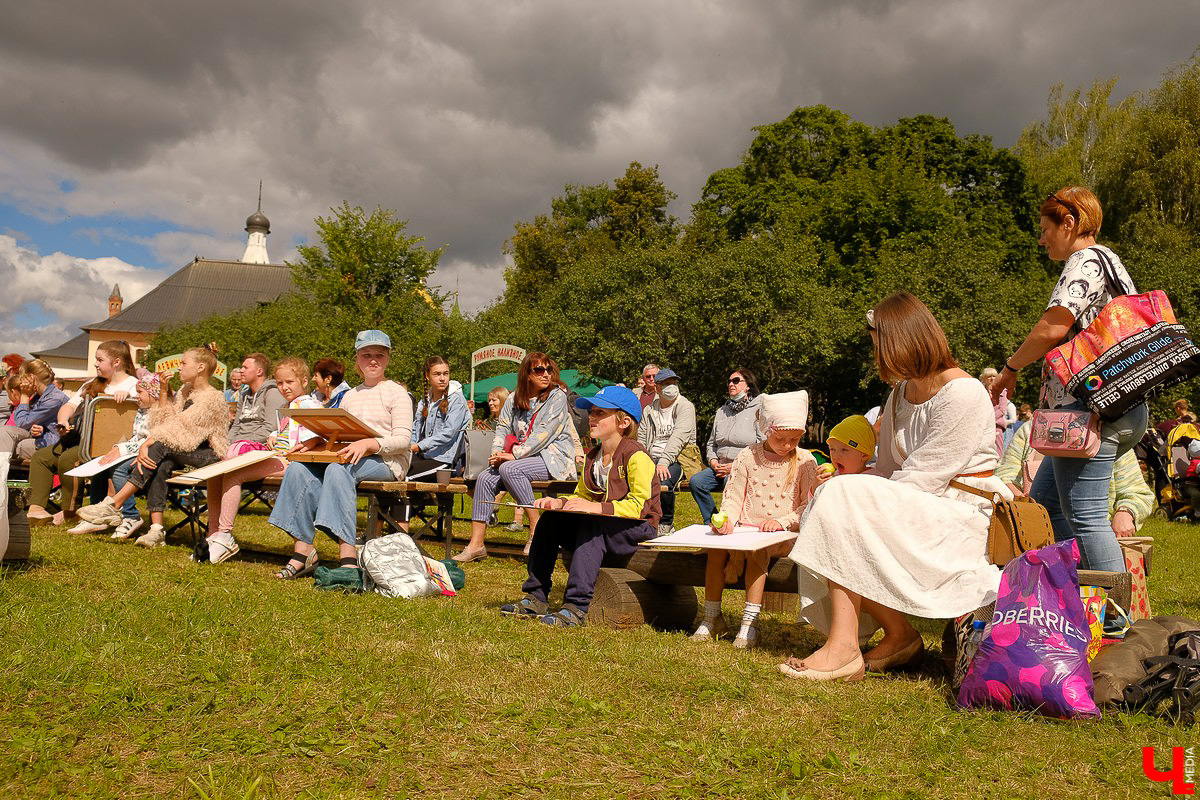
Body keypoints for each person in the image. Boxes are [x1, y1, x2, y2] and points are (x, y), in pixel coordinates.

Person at [781, 292, 1008, 682]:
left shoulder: (965, 393)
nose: (877, 356)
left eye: (879, 346)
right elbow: (887, 469)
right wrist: (841, 490)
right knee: (835, 501)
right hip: (920, 501)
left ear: (904, 340)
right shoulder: (900, 393)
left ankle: (844, 648)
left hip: (960, 510)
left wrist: (851, 496)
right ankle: (897, 634)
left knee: (842, 502)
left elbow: (926, 476)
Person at [988, 187, 1148, 573]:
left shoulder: (1084, 262)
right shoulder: (1110, 262)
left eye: (1045, 229)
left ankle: (1115, 623)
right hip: (1116, 406)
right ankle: (1077, 596)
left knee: (1087, 516)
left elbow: (1052, 329)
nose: (1041, 238)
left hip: (1090, 413)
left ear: (1070, 223)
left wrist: (1010, 368)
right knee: (1045, 502)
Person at [500, 386, 660, 627]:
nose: (591, 418)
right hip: (603, 524)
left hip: (638, 531)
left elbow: (639, 507)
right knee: (551, 520)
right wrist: (559, 503)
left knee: (592, 523)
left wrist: (597, 509)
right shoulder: (592, 456)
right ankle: (536, 595)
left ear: (624, 421)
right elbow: (581, 496)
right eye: (591, 412)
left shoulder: (636, 456)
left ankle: (576, 606)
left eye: (599, 413)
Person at [268, 331, 412, 580]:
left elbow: (403, 440)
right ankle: (303, 550)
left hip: (387, 461)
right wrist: (315, 441)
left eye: (379, 355)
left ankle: (348, 558)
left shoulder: (396, 392)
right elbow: (337, 434)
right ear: (357, 360)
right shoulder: (350, 396)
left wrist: (369, 443)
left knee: (338, 468)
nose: (373, 360)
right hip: (348, 456)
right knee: (298, 469)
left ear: (388, 359)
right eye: (366, 355)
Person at [691, 391, 819, 649]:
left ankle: (750, 623)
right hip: (745, 531)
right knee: (716, 551)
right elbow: (734, 496)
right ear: (765, 430)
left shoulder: (806, 460)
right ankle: (712, 616)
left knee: (758, 552)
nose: (786, 445)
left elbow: (808, 505)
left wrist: (782, 522)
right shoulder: (747, 456)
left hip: (784, 536)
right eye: (780, 438)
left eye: (793, 439)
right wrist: (725, 520)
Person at [77, 346, 229, 548]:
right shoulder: (185, 391)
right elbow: (165, 423)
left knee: (158, 446)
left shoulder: (213, 397)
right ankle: (156, 530)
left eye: (184, 363)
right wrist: (164, 392)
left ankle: (115, 503)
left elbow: (183, 428)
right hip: (183, 449)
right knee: (162, 463)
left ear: (200, 367)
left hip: (210, 454)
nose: (179, 367)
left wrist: (148, 443)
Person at [456, 353, 577, 562]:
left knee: (509, 469)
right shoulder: (514, 397)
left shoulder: (557, 396)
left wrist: (513, 455)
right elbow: (502, 427)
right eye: (540, 370)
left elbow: (545, 433)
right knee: (485, 477)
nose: (546, 374)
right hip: (521, 459)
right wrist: (495, 453)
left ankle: (536, 530)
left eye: (549, 370)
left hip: (554, 458)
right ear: (527, 374)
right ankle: (476, 545)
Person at [203, 358, 322, 564]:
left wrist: (310, 442)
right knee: (217, 473)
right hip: (278, 456)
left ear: (304, 381)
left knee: (234, 472)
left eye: (289, 382)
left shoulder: (308, 403)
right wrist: (275, 435)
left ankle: (224, 534)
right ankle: (213, 535)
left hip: (293, 463)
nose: (284, 387)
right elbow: (287, 431)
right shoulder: (288, 405)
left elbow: (320, 433)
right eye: (280, 383)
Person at [26, 341, 139, 525]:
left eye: (99, 360)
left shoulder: (133, 386)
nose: (95, 363)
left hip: (109, 446)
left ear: (116, 362)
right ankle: (37, 508)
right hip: (82, 439)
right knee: (41, 457)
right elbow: (69, 405)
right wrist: (63, 420)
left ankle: (70, 511)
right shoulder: (92, 384)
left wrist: (128, 398)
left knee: (69, 459)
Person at [997, 420, 1154, 537]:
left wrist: (1125, 513)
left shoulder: (1108, 434)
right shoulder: (1032, 429)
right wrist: (1019, 499)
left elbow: (1137, 493)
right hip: (1033, 533)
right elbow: (1004, 476)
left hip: (1092, 536)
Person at [67, 371, 160, 538]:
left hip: (150, 453)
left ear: (155, 394)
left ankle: (131, 515)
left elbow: (151, 440)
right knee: (101, 465)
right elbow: (136, 437)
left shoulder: (159, 413)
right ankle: (97, 515)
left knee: (118, 469)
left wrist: (122, 449)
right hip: (136, 449)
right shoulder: (142, 410)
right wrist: (119, 447)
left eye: (140, 392)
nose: (136, 396)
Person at [689, 368, 764, 525]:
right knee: (696, 482)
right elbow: (711, 443)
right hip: (719, 466)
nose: (731, 384)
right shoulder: (722, 411)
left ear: (748, 385)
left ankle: (732, 523)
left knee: (730, 482)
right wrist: (713, 461)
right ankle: (712, 520)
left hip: (743, 467)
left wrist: (735, 466)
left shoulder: (758, 410)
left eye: (736, 381)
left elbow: (761, 446)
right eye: (729, 381)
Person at [636, 368, 696, 535]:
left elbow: (679, 438)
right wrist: (643, 460)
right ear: (657, 387)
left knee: (663, 481)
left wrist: (663, 462)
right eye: (667, 384)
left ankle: (666, 522)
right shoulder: (649, 410)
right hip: (651, 457)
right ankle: (644, 519)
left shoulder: (685, 406)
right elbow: (641, 438)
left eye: (674, 383)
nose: (672, 387)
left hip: (677, 458)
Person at [409, 356, 470, 479]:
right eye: (437, 374)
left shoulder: (456, 400)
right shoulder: (425, 401)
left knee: (406, 476)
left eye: (445, 374)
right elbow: (415, 430)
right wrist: (409, 447)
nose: (442, 378)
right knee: (393, 469)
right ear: (427, 376)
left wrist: (419, 446)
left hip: (444, 460)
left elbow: (449, 433)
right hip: (424, 456)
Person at [1, 359, 70, 460]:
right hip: (39, 437)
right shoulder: (40, 395)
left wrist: (24, 397)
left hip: (54, 444)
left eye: (23, 378)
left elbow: (22, 423)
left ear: (31, 378)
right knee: (4, 433)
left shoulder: (54, 399)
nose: (21, 382)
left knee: (17, 445)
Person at [227, 353, 287, 454]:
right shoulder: (244, 395)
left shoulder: (272, 393)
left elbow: (270, 428)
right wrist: (226, 444)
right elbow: (236, 426)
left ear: (259, 372)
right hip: (237, 446)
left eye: (245, 367)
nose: (241, 370)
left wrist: (241, 444)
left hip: (256, 449)